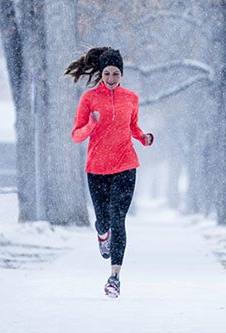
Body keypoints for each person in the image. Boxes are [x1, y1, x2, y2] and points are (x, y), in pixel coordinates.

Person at [65, 47, 153, 298]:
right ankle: (102, 233)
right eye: (107, 73)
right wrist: (91, 124)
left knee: (118, 219)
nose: (111, 78)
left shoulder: (131, 98)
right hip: (97, 168)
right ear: (101, 73)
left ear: (122, 74)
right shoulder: (90, 99)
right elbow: (76, 135)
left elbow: (133, 126)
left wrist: (144, 138)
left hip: (125, 166)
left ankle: (114, 278)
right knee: (104, 220)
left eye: (116, 73)